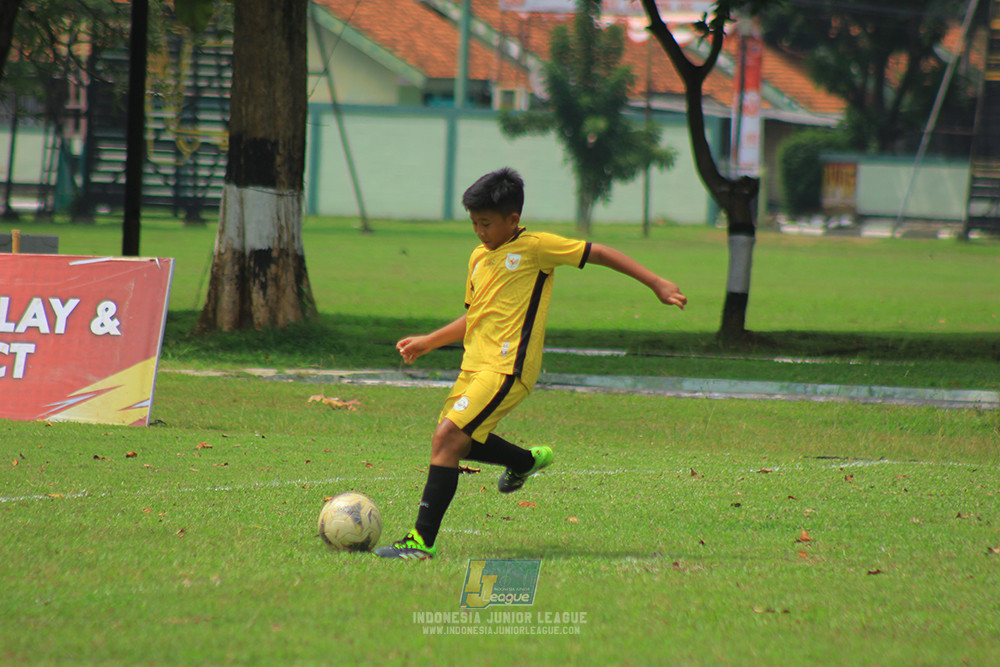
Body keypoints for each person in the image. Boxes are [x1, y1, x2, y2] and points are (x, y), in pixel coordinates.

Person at [374, 167, 686, 560]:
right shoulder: (477, 257)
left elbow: (599, 252)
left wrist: (656, 282)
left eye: (486, 223)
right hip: (473, 366)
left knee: (446, 438)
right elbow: (477, 314)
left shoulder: (537, 248)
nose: (479, 232)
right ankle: (524, 461)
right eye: (473, 223)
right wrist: (428, 342)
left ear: (513, 220)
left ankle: (420, 543)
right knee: (458, 442)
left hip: (508, 368)